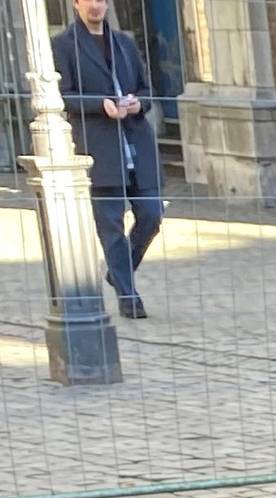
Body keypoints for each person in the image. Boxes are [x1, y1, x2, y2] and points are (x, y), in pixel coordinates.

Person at [51, 0, 163, 319]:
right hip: (99, 148)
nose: (95, 5)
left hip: (136, 144)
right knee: (111, 226)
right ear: (76, 3)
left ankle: (118, 272)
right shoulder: (62, 45)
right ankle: (129, 297)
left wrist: (137, 104)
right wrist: (101, 105)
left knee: (152, 216)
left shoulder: (125, 43)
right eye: (88, 0)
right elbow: (63, 96)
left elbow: (147, 90)